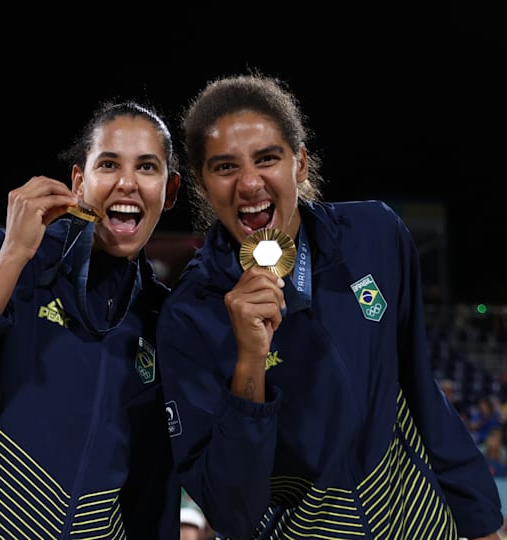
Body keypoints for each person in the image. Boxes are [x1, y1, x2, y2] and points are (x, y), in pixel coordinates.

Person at [156, 72, 503, 539]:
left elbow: (422, 392)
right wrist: (250, 364)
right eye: (224, 167)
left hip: (422, 524)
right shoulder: (189, 316)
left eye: (267, 158)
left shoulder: (376, 235)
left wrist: (483, 522)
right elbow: (232, 513)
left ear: (299, 163)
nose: (250, 182)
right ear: (201, 183)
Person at [0, 100, 183, 538]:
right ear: (79, 182)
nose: (127, 183)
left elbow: (150, 495)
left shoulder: (160, 319)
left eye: (147, 167)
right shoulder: (7, 258)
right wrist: (13, 254)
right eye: (108, 164)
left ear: (169, 190)